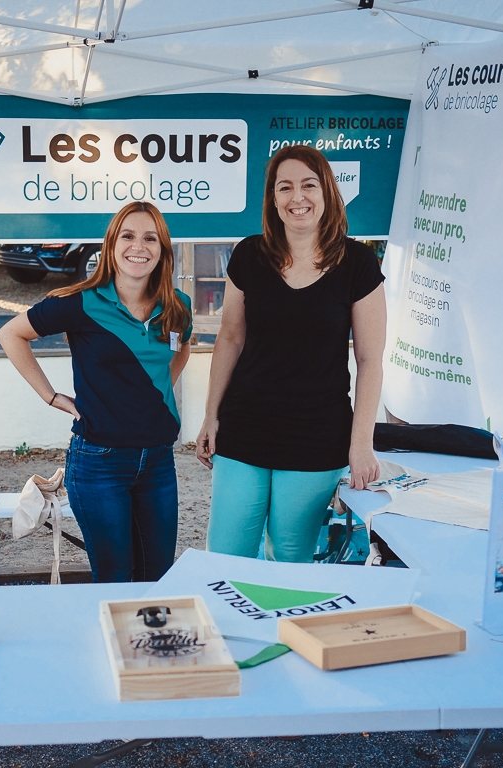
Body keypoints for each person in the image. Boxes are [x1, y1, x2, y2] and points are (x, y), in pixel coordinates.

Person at [196, 144, 386, 563]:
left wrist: (361, 443)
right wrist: (211, 414)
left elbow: (370, 361)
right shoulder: (248, 255)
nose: (297, 197)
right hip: (244, 428)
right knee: (226, 555)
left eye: (308, 185)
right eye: (285, 187)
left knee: (290, 559)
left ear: (327, 192)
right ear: (273, 197)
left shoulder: (357, 262)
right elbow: (230, 338)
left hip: (315, 435)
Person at [0, 202, 192, 583]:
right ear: (111, 245)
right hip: (99, 463)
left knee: (157, 578)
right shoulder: (82, 302)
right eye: (128, 236)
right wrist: (51, 396)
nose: (139, 247)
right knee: (114, 580)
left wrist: (155, 391)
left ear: (163, 249)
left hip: (157, 462)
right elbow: (11, 334)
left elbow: (182, 348)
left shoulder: (177, 305)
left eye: (150, 238)